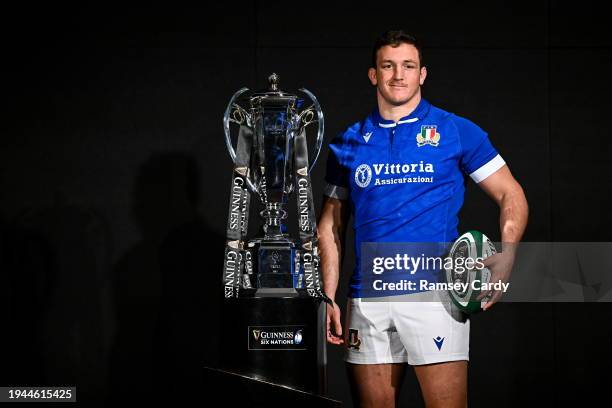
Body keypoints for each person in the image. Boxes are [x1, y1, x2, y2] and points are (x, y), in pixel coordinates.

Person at [317, 30, 529, 408]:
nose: (398, 75)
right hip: (367, 300)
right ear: (373, 74)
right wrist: (327, 295)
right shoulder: (347, 142)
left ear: (422, 74)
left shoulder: (456, 131)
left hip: (435, 296)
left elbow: (510, 193)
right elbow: (331, 225)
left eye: (408, 66)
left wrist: (509, 252)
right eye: (388, 66)